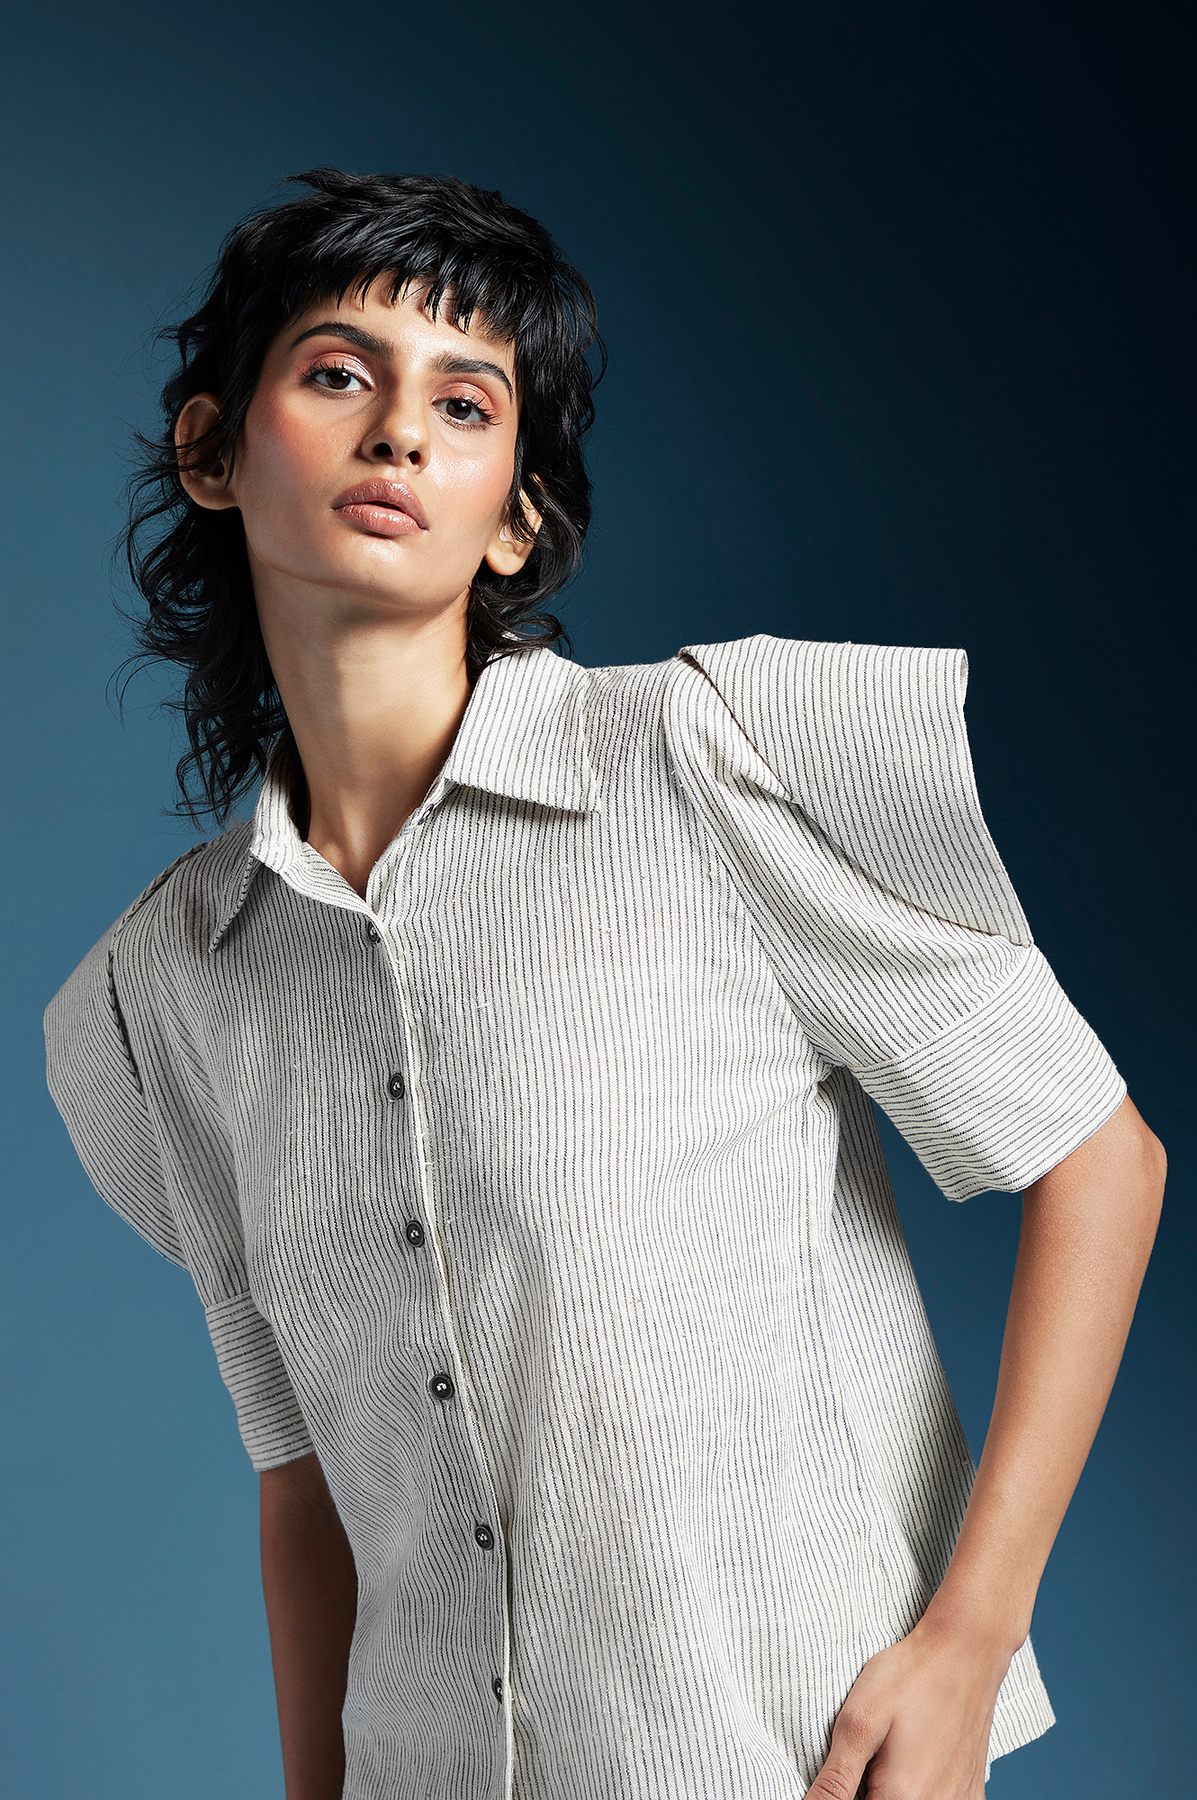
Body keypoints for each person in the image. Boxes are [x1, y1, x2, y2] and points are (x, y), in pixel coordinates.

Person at [43, 168, 1165, 1800]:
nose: (398, 432)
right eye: (339, 373)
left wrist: (969, 1643)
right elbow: (306, 1483)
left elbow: (1098, 1157)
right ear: (211, 448)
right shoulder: (166, 990)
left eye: (466, 403)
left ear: (516, 516)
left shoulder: (699, 769)